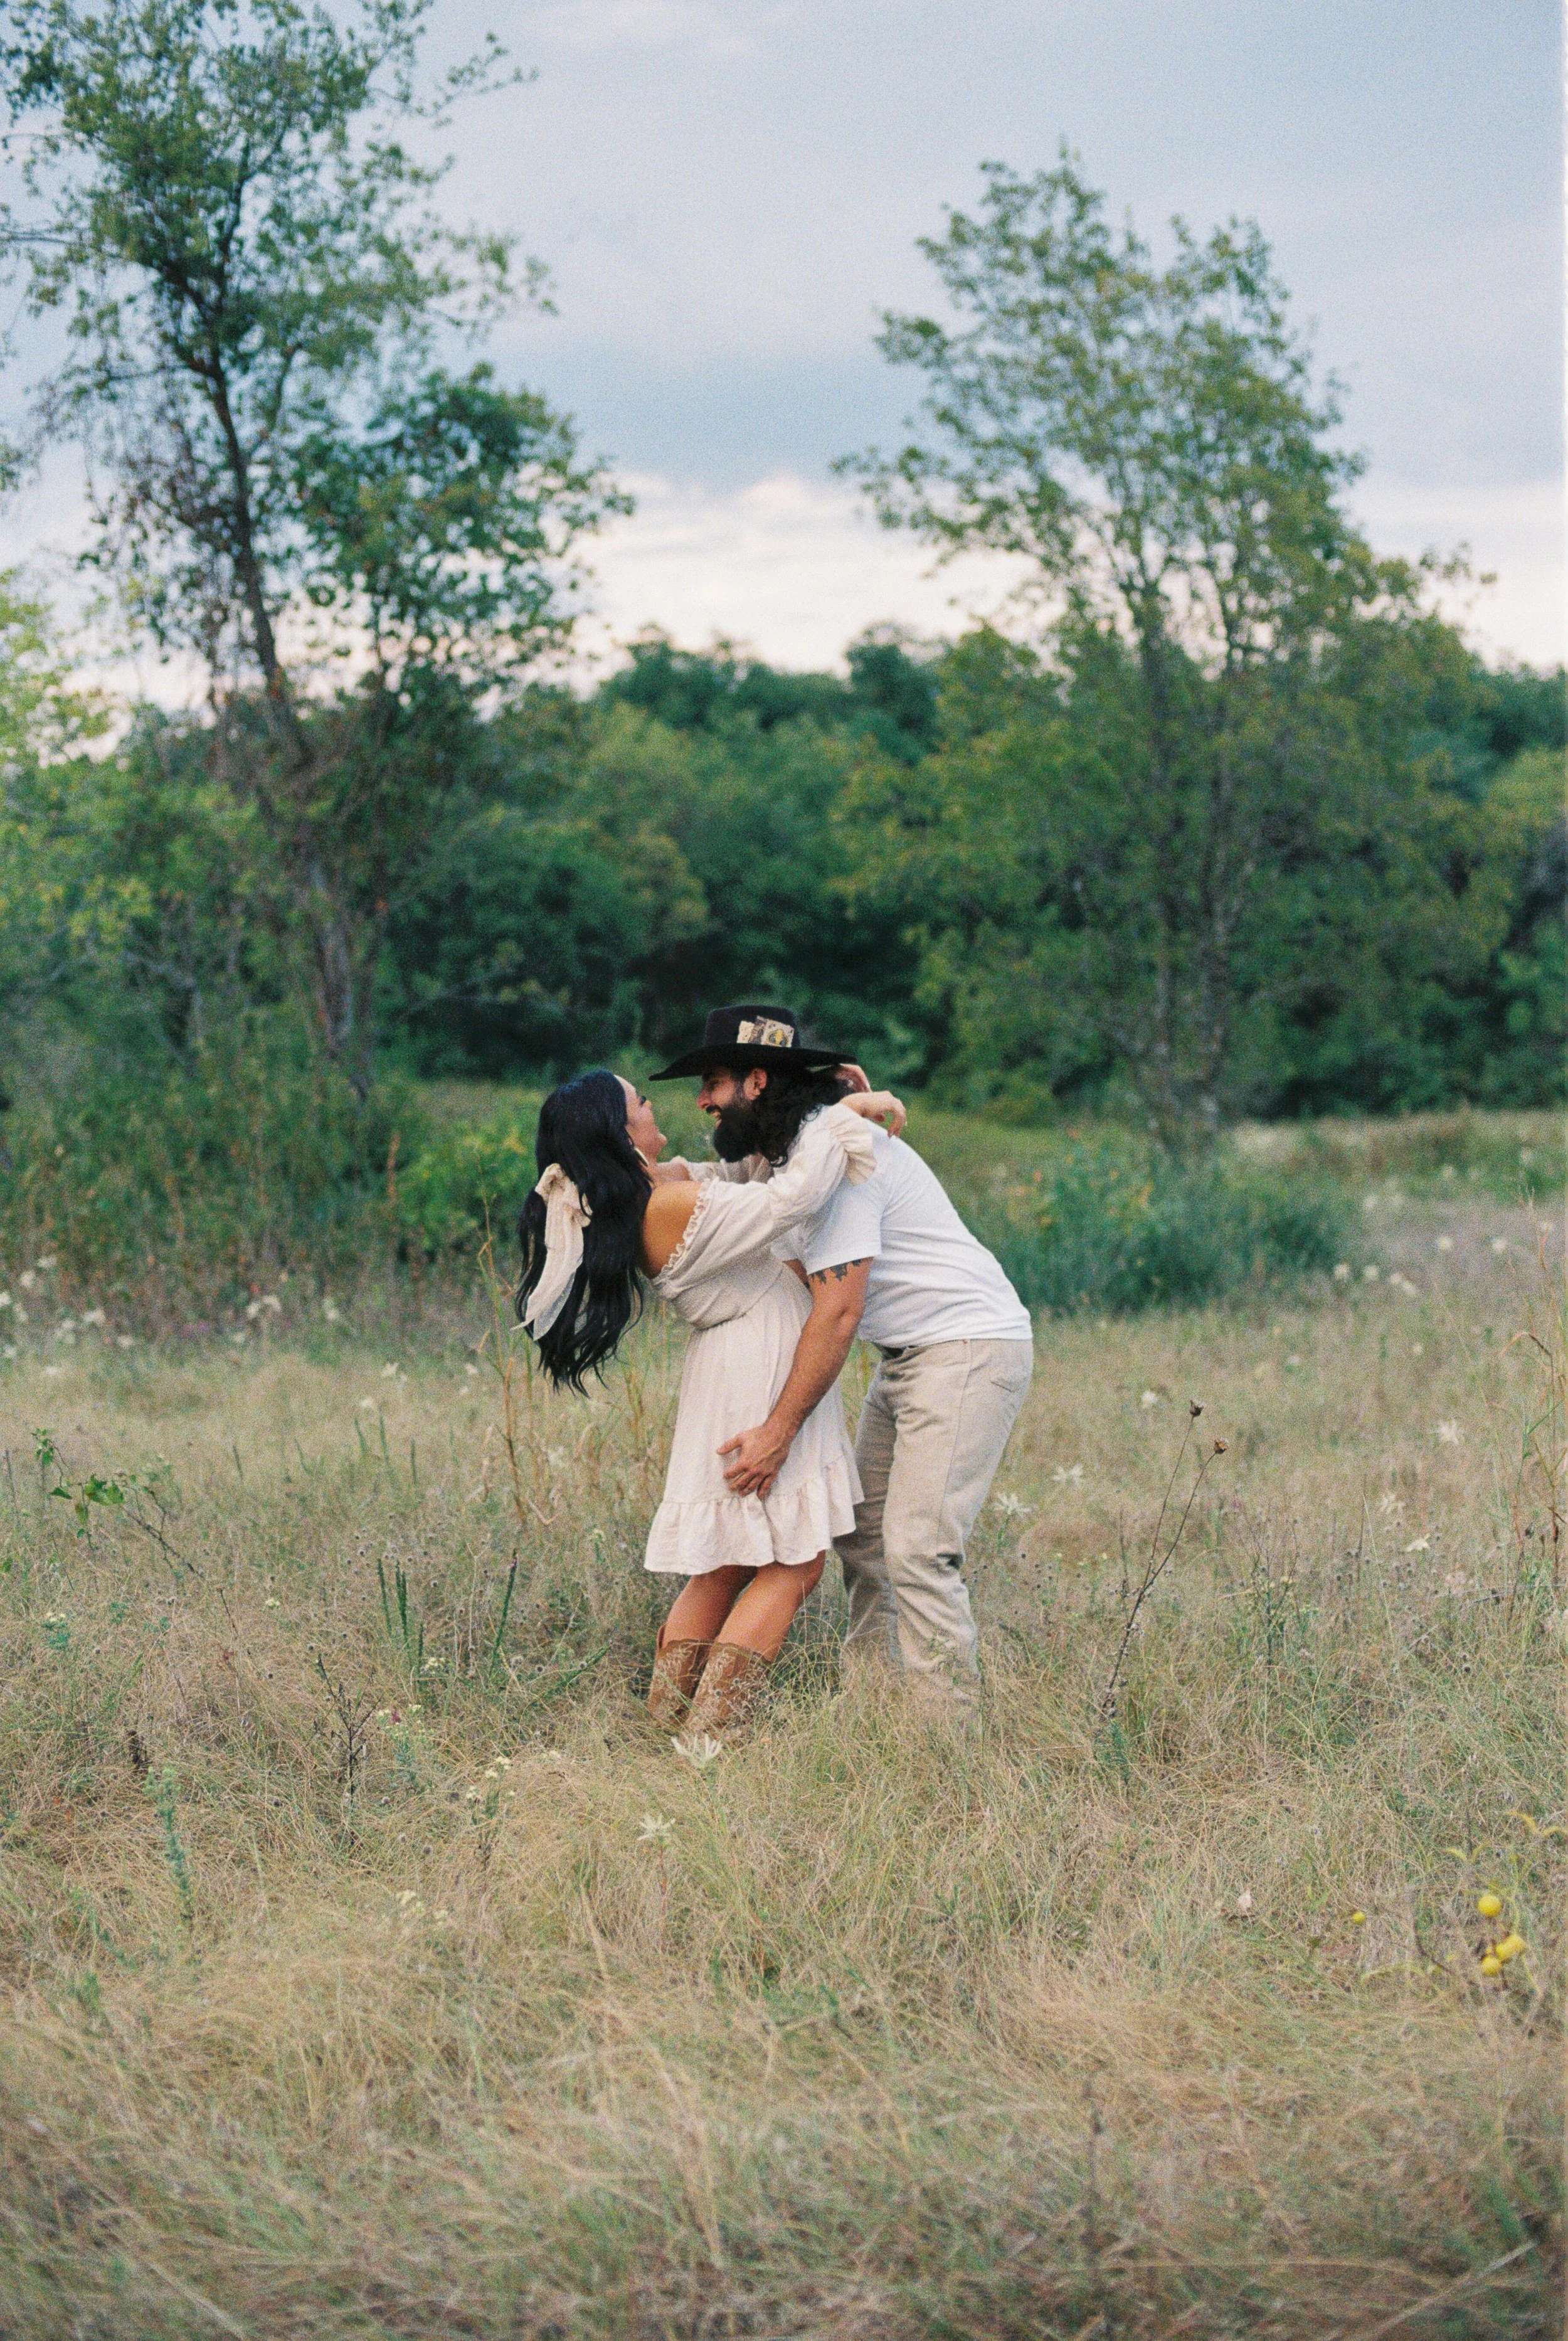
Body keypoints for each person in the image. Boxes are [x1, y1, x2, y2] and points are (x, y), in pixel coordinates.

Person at [651, 1002, 1034, 1712]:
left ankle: (949, 1744)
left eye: (711, 1082)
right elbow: (681, 1181)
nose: (701, 1100)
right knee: (863, 1545)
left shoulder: (844, 1157)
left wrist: (776, 1433)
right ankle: (877, 1708)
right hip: (910, 1360)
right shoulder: (789, 1158)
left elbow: (837, 1311)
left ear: (757, 1081)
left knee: (920, 1552)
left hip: (965, 1349)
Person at [516, 1053, 904, 1742]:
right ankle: (710, 1736)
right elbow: (791, 1198)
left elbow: (742, 1176)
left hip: (733, 1363)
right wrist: (833, 1120)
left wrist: (813, 1111)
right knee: (793, 1563)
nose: (654, 1106)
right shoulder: (669, 1206)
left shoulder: (652, 1195)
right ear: (618, 1127)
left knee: (725, 1565)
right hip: (755, 1366)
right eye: (639, 1101)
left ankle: (666, 1725)